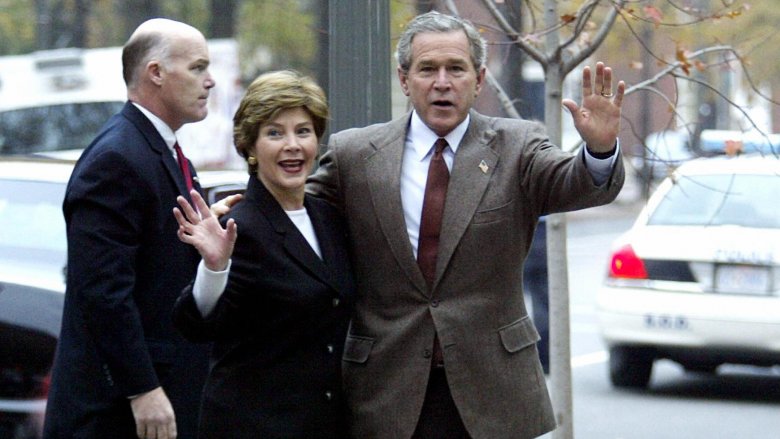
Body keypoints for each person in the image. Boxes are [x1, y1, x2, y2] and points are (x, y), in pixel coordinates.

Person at [307, 10, 626, 439]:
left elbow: (578, 183)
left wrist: (601, 151)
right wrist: (240, 212)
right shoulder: (354, 154)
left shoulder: (518, 146)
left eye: (455, 69)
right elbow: (296, 212)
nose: (442, 82)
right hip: (385, 391)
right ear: (405, 80)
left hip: (493, 394)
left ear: (477, 80)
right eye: (428, 69)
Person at [44, 18, 216, 439]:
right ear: (155, 73)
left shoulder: (161, 150)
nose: (210, 81)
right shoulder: (117, 158)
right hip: (116, 413)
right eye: (197, 67)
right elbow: (103, 290)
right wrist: (142, 388)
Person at [171, 70, 356, 438]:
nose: (292, 145)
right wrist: (214, 267)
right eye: (275, 133)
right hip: (254, 426)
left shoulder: (329, 218)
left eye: (303, 131)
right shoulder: (242, 227)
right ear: (250, 147)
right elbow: (195, 324)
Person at [523, 216, 550, 374]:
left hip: (527, 225)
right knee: (542, 302)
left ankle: (543, 357)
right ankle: (544, 357)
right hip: (541, 229)